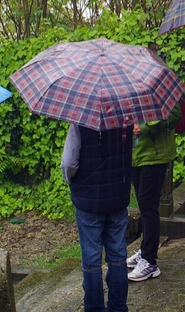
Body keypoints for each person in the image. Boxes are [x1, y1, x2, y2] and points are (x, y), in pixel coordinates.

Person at [62, 123, 132, 312]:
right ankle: (118, 307)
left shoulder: (81, 121)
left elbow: (69, 162)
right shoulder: (126, 119)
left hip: (89, 199)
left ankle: (94, 308)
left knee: (92, 259)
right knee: (118, 255)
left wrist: (71, 180)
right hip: (118, 196)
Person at [126, 103, 181, 282]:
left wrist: (144, 127)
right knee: (143, 205)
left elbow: (174, 115)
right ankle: (145, 250)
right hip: (137, 155)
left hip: (155, 156)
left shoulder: (161, 82)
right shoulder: (132, 83)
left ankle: (150, 261)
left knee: (148, 205)